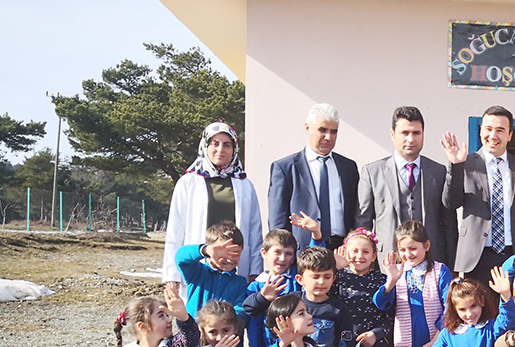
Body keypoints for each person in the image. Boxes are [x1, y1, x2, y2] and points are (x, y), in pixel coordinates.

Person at [440, 106, 515, 280]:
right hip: (477, 256)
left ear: (510, 135)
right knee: (478, 307)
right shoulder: (466, 164)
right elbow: (451, 203)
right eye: (488, 129)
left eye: (500, 130)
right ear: (480, 131)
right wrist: (455, 166)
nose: (493, 136)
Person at [162, 122, 262, 294]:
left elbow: (254, 232)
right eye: (214, 144)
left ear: (234, 149)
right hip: (200, 266)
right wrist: (171, 274)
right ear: (205, 146)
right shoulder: (189, 182)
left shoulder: (245, 185)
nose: (220, 150)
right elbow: (175, 229)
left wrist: (255, 271)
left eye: (227, 145)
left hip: (235, 267)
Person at [358, 106, 457, 267]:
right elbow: (363, 223)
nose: (410, 139)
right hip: (387, 263)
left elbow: (449, 225)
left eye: (416, 133)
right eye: (404, 133)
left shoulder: (438, 172)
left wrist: (452, 266)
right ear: (392, 134)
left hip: (432, 264)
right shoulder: (372, 172)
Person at [268, 104, 360, 251]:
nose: (328, 137)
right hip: (304, 252)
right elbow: (277, 222)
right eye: (322, 130)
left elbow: (356, 213)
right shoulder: (285, 168)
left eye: (334, 132)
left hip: (342, 251)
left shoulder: (348, 167)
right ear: (307, 128)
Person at [373, 220, 453, 347]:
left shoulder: (439, 270)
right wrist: (391, 281)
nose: (407, 254)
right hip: (406, 339)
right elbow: (380, 304)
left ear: (427, 246)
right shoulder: (397, 271)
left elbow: (450, 306)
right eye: (402, 249)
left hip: (435, 336)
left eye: (413, 248)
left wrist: (436, 340)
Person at [424, 269, 515, 347]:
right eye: (462, 309)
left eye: (473, 306)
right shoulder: (449, 333)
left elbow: (508, 320)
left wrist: (506, 296)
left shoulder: (491, 327)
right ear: (455, 309)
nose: (469, 314)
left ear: (482, 301)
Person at [174, 222, 251, 317]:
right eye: (223, 253)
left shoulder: (240, 283)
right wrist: (205, 250)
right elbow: (180, 257)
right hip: (193, 329)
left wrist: (225, 321)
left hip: (222, 331)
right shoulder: (198, 272)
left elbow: (241, 310)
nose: (229, 258)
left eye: (235, 253)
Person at [246, 229, 299, 347]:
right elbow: (254, 329)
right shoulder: (256, 286)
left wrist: (316, 236)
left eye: (288, 254)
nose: (282, 258)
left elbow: (314, 264)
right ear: (264, 253)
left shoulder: (298, 278)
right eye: (277, 252)